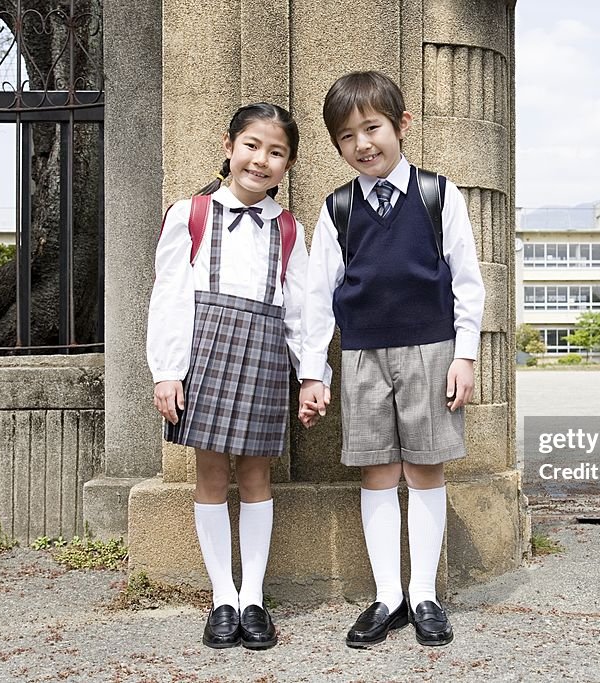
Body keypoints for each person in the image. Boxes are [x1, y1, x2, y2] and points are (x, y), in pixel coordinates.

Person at [298, 70, 485, 648]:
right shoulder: (338, 210)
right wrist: (313, 371)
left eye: (372, 128)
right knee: (378, 472)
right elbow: (316, 296)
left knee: (425, 468)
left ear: (401, 125)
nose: (363, 144)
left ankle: (425, 592)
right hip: (360, 356)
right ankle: (388, 596)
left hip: (432, 351)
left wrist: (466, 354)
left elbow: (468, 282)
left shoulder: (437, 194)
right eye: (347, 136)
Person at [147, 102, 327, 650]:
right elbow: (170, 296)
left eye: (276, 152)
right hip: (206, 351)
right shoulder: (190, 214)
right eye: (252, 145)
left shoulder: (291, 228)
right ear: (229, 146)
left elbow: (306, 309)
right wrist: (167, 371)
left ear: (288, 164)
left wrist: (312, 375)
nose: (261, 159)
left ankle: (253, 597)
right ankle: (222, 596)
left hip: (265, 355)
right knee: (209, 477)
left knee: (255, 478)